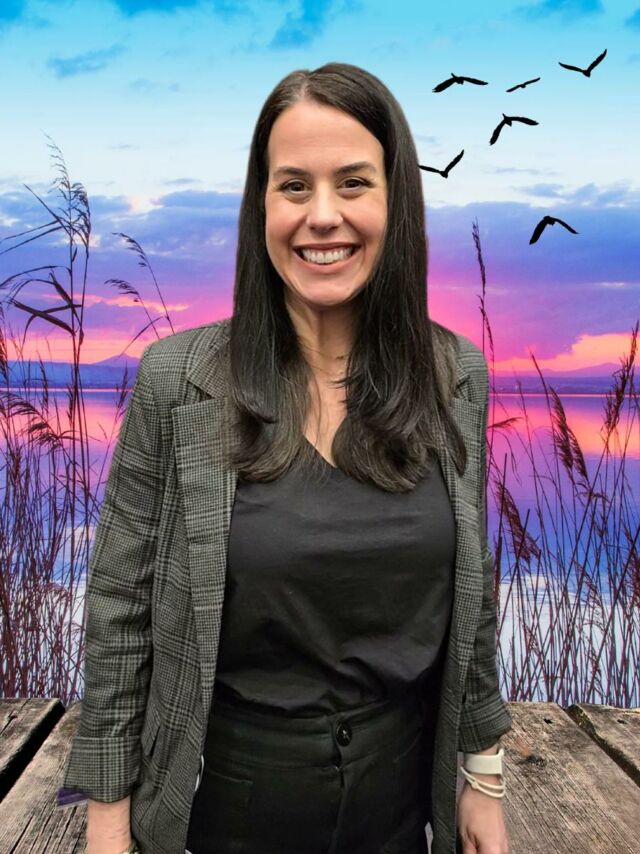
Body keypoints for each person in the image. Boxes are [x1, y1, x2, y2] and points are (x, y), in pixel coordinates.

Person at [58, 62, 513, 854]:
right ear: (261, 206)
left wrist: (484, 774)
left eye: (354, 183)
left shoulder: (456, 376)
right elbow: (121, 608)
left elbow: (471, 597)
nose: (322, 216)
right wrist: (107, 816)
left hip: (399, 805)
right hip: (223, 806)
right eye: (294, 186)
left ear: (396, 201)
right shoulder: (178, 379)